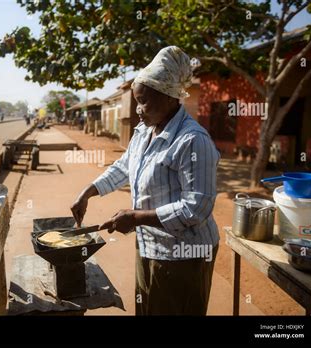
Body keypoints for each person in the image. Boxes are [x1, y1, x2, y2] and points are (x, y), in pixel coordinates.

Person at [70, 46, 220, 315]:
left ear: (170, 97)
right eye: (136, 101)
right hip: (150, 245)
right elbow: (125, 166)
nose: (138, 110)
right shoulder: (144, 130)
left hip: (185, 255)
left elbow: (196, 208)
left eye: (144, 102)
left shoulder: (193, 141)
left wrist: (136, 217)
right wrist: (88, 192)